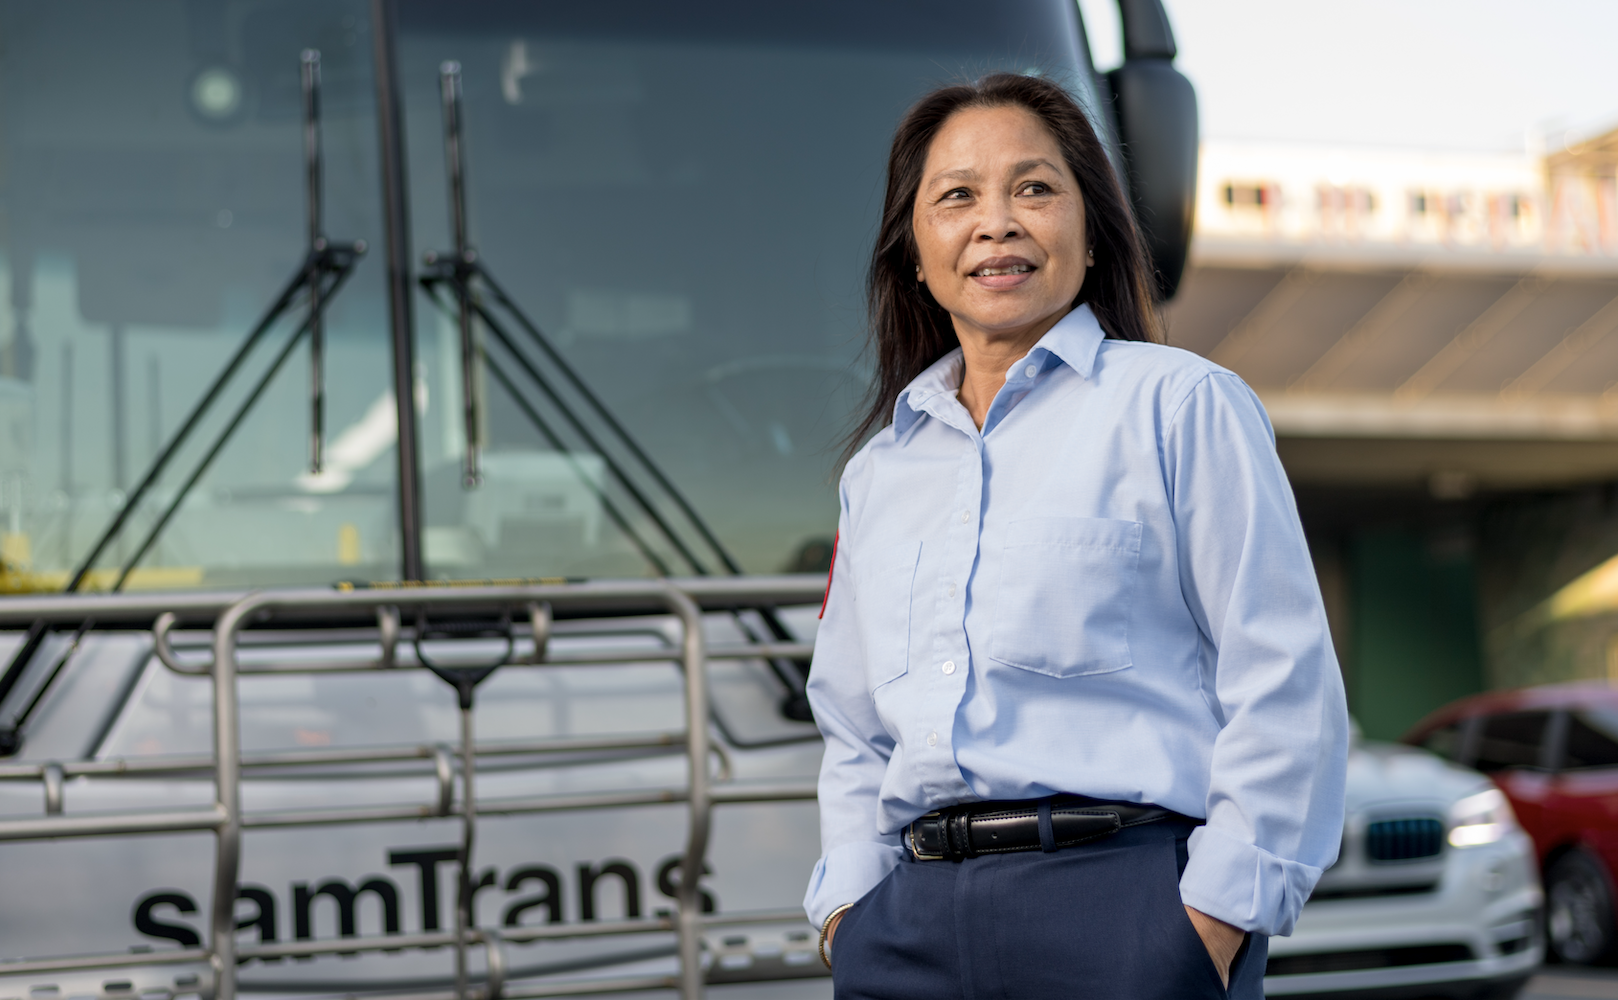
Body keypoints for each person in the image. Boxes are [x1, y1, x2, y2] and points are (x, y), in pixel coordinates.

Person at [803, 72, 1348, 999]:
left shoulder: (1181, 407)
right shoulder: (879, 474)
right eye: (957, 197)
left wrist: (1207, 924)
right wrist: (850, 915)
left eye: (1035, 188)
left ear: (1091, 234)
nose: (998, 222)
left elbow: (1284, 682)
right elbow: (854, 729)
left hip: (1125, 912)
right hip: (909, 927)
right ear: (915, 255)